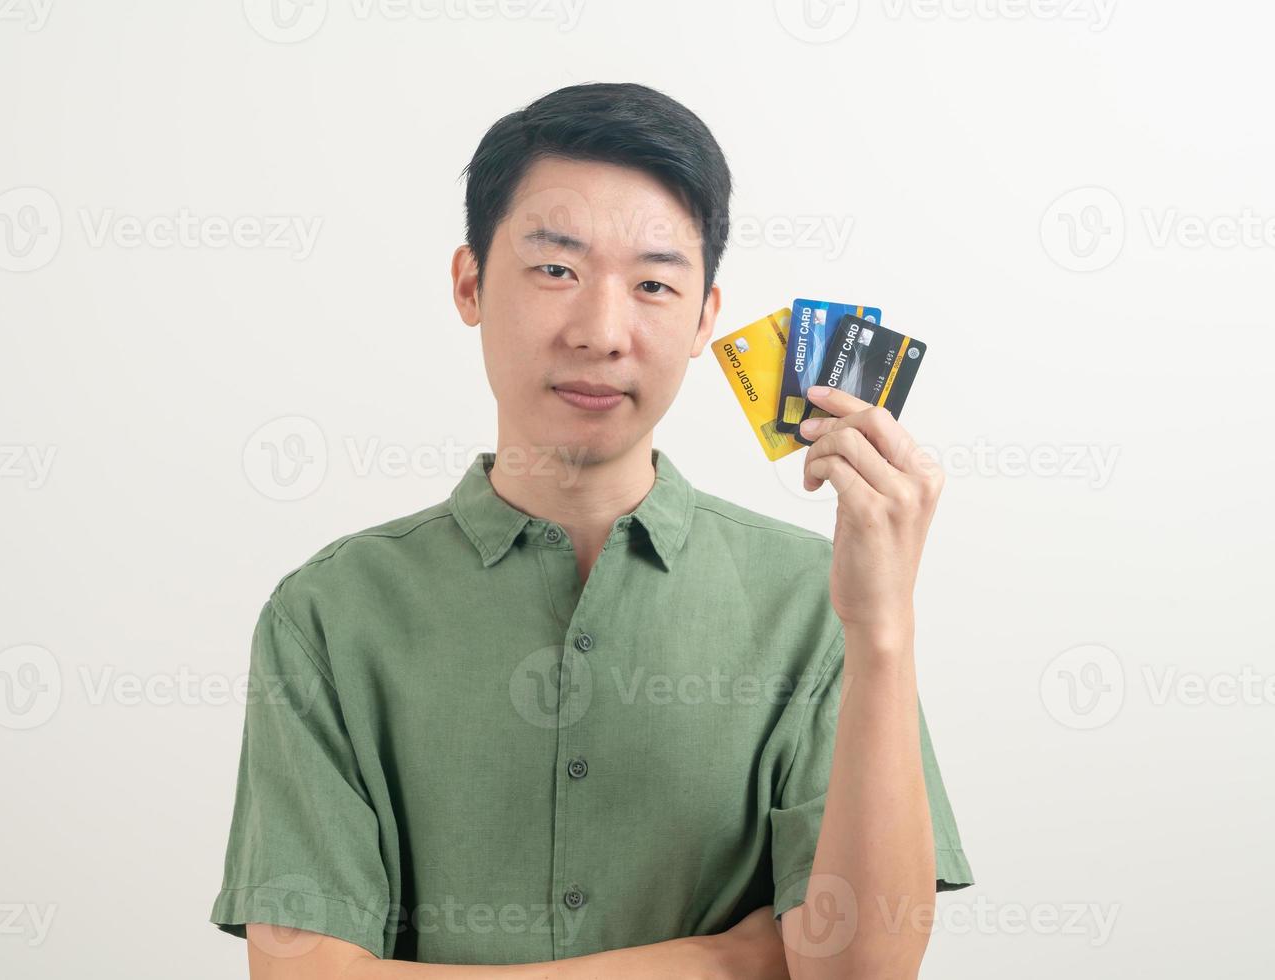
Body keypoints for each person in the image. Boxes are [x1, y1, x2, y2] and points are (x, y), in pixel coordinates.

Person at [209, 81, 973, 979]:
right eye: (557, 269)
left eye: (653, 283)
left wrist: (882, 631)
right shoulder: (329, 614)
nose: (603, 331)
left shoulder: (817, 602)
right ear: (469, 284)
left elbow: (860, 973)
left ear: (705, 321)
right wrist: (737, 961)